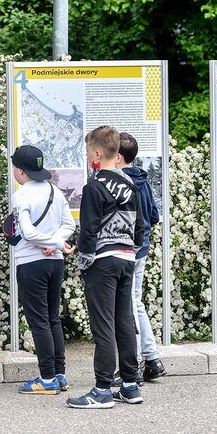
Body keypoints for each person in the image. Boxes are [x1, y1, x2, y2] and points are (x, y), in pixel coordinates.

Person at [66, 126, 144, 409]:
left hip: (103, 261)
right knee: (124, 322)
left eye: (88, 152)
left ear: (98, 153)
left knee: (103, 326)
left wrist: (84, 261)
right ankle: (130, 385)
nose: (88, 157)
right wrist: (131, 250)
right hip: (126, 259)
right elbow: (139, 227)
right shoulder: (130, 186)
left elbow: (88, 231)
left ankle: (101, 390)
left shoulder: (94, 186)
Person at [9, 145, 76, 395]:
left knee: (38, 321)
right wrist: (55, 243)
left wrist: (52, 243)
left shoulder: (22, 195)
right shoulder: (54, 190)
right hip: (55, 262)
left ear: (20, 170)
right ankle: (59, 374)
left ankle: (46, 378)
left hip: (30, 262)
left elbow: (27, 233)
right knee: (52, 318)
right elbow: (68, 224)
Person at [116, 132, 167, 383]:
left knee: (128, 306)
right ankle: (152, 358)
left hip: (128, 248)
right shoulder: (143, 181)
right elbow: (155, 216)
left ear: (118, 157)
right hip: (142, 248)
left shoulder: (122, 182)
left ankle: (133, 361)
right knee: (136, 303)